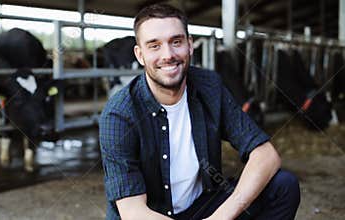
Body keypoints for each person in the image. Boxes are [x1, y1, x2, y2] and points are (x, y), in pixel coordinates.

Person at [99, 3, 300, 220]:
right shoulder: (119, 115)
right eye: (154, 46)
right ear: (139, 54)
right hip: (151, 215)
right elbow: (133, 212)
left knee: (283, 186)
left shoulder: (209, 87)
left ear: (190, 45)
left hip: (202, 208)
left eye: (176, 42)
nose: (168, 55)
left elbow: (266, 155)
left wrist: (220, 217)